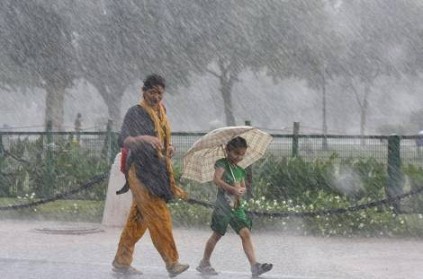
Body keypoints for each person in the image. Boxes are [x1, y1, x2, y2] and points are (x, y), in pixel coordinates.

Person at [112, 74, 189, 277]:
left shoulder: (162, 112)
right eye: (152, 92)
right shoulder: (135, 112)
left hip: (157, 169)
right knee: (158, 214)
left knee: (138, 220)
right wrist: (143, 138)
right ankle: (172, 263)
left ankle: (121, 262)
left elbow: (162, 140)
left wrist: (168, 147)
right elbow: (123, 139)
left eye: (160, 93)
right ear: (143, 91)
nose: (156, 97)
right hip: (139, 171)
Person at [196, 136, 273, 277]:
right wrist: (231, 189)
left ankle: (254, 265)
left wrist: (241, 190)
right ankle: (204, 262)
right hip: (223, 207)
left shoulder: (239, 170)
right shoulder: (222, 164)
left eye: (242, 154)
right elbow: (216, 180)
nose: (239, 157)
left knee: (245, 233)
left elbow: (243, 187)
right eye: (236, 153)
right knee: (217, 235)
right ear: (228, 150)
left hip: (237, 207)